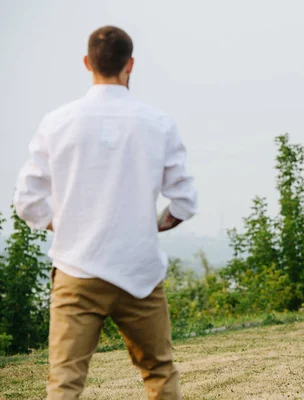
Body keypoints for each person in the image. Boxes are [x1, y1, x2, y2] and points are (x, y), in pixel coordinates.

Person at [13, 26, 197, 399]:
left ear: (87, 63)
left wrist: (63, 225)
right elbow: (185, 200)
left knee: (65, 380)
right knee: (159, 371)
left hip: (76, 269)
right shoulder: (158, 123)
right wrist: (159, 223)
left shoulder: (57, 122)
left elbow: (27, 200)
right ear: (130, 64)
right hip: (139, 272)